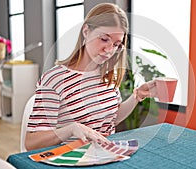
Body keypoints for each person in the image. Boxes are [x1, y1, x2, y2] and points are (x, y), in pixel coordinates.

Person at [25, 3, 157, 151]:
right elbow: (31, 143)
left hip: (105, 155)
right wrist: (70, 129)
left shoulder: (107, 77)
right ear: (86, 31)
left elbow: (111, 119)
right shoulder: (55, 79)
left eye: (116, 44)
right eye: (104, 39)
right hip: (71, 159)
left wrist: (136, 96)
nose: (109, 50)